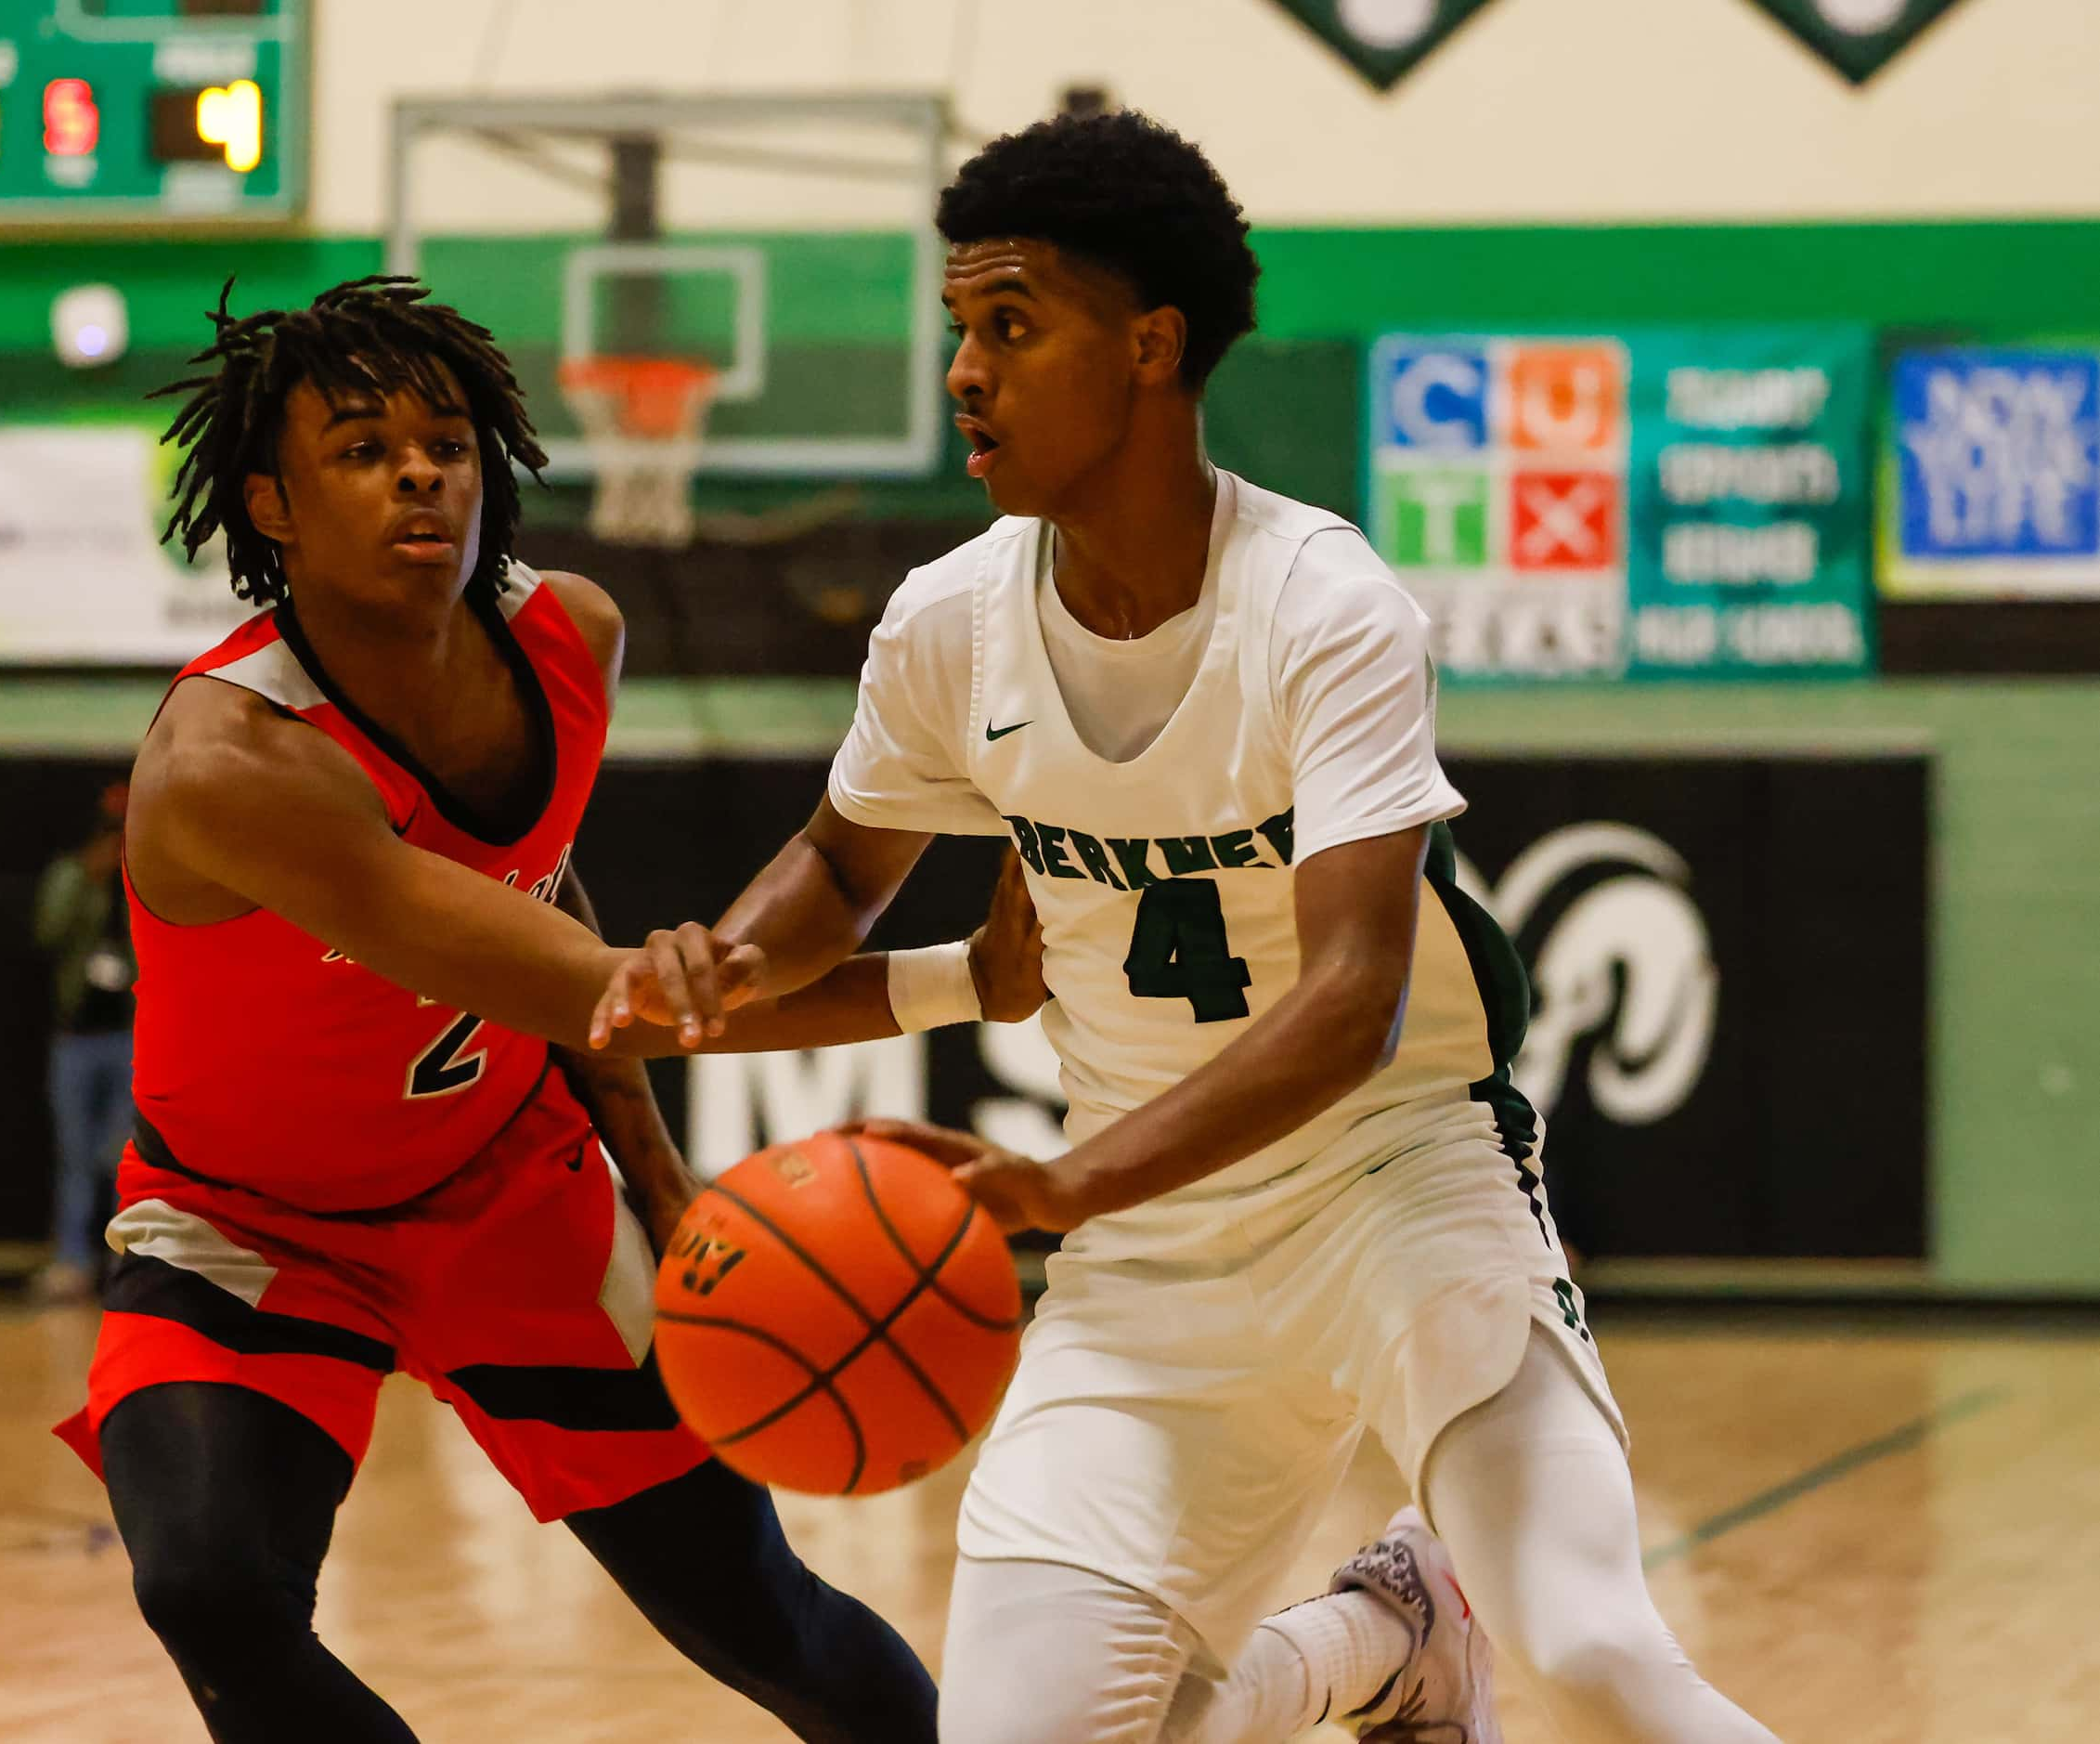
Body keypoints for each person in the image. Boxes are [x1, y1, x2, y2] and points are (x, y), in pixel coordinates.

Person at [594, 112, 1783, 1744]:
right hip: (1149, 1262)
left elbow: (1354, 994)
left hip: (1395, 1185)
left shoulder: (1321, 602)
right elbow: (835, 866)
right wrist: (724, 960)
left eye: (1009, 327)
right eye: (959, 328)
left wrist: (1066, 1180)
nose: (962, 372)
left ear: (1149, 346)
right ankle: (1390, 1631)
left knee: (1587, 1647)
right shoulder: (945, 624)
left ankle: (1445, 1617)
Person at [49, 275, 1044, 1744]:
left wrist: (650, 1171)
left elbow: (549, 904)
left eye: (447, 441)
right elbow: (605, 989)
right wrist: (963, 978)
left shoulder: (572, 637)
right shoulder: (230, 766)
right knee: (211, 1591)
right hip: (248, 1227)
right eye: (363, 446)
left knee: (759, 1613)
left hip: (506, 1194)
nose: (421, 473)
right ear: (270, 505)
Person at [31, 783, 138, 1302]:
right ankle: (72, 1262)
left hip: (132, 1038)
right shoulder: (71, 876)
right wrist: (87, 884)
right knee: (75, 1155)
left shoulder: (150, 880)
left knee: (124, 1156)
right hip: (77, 1039)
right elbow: (47, 933)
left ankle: (126, 1264)